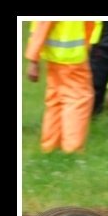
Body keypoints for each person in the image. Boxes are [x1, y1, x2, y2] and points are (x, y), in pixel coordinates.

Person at [25, 21, 96, 153]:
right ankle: (72, 149)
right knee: (77, 100)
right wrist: (33, 59)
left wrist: (34, 58)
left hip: (55, 57)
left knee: (55, 100)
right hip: (73, 58)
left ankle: (50, 146)